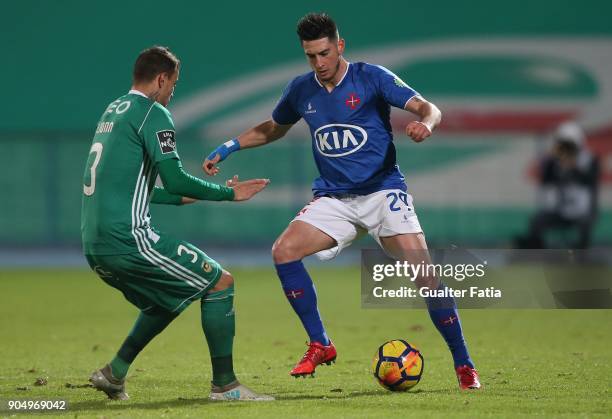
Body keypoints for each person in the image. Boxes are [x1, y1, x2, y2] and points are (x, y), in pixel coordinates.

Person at [204, 13, 480, 390]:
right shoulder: (302, 90)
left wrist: (426, 124)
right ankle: (320, 343)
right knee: (283, 251)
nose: (319, 63)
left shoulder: (372, 77)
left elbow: (428, 108)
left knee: (426, 278)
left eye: (324, 53)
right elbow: (273, 127)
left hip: (383, 192)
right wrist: (229, 146)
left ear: (340, 46)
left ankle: (464, 366)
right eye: (311, 56)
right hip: (334, 197)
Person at [81, 46, 273, 401]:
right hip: (129, 241)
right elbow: (175, 179)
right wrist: (229, 195)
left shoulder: (114, 111)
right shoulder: (152, 113)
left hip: (95, 245)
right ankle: (226, 387)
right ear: (160, 79)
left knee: (166, 299)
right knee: (219, 282)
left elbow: (143, 188)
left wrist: (197, 194)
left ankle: (114, 373)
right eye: (173, 84)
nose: (172, 93)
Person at [516, 122, 600, 249]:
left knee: (585, 226)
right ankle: (537, 250)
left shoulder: (590, 160)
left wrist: (573, 167)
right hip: (561, 210)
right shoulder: (555, 161)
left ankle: (582, 254)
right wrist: (550, 160)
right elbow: (545, 180)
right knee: (537, 220)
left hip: (583, 210)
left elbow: (590, 181)